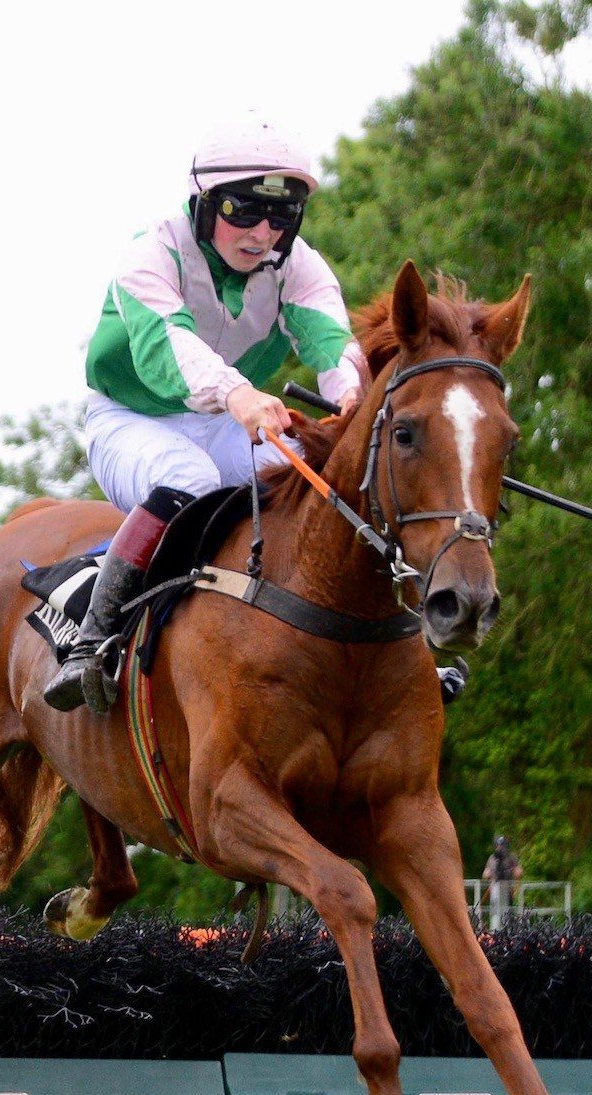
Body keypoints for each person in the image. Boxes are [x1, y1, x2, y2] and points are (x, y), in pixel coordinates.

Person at [45, 118, 370, 713]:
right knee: (189, 481)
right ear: (206, 202)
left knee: (312, 477)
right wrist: (239, 394)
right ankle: (90, 641)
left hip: (221, 419)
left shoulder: (299, 267)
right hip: (131, 417)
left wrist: (353, 397)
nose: (262, 232)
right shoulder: (152, 253)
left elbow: (331, 341)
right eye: (243, 211)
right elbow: (172, 346)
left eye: (280, 217)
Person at [481, 835, 523, 930]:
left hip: (508, 890)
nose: (500, 848)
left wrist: (515, 871)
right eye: (498, 846)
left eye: (502, 846)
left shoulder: (511, 857)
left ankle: (508, 930)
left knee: (508, 913)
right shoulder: (492, 858)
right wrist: (488, 874)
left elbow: (519, 871)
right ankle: (495, 930)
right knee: (495, 913)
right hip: (495, 890)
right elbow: (485, 874)